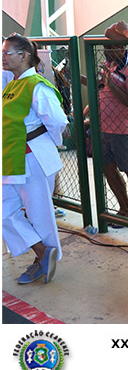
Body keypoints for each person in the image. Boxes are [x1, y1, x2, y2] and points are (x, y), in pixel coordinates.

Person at [2, 33, 68, 284]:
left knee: (39, 214)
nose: (3, 57)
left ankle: (43, 261)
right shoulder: (12, 84)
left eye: (7, 53)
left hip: (32, 158)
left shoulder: (37, 85)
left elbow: (58, 121)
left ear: (24, 56)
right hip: (13, 158)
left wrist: (46, 143)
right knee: (5, 212)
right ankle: (43, 253)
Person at [93, 45, 128, 219]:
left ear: (122, 47)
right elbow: (103, 87)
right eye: (105, 47)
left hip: (125, 131)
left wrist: (112, 85)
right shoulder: (110, 63)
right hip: (104, 127)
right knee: (107, 168)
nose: (105, 51)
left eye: (110, 48)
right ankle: (124, 208)